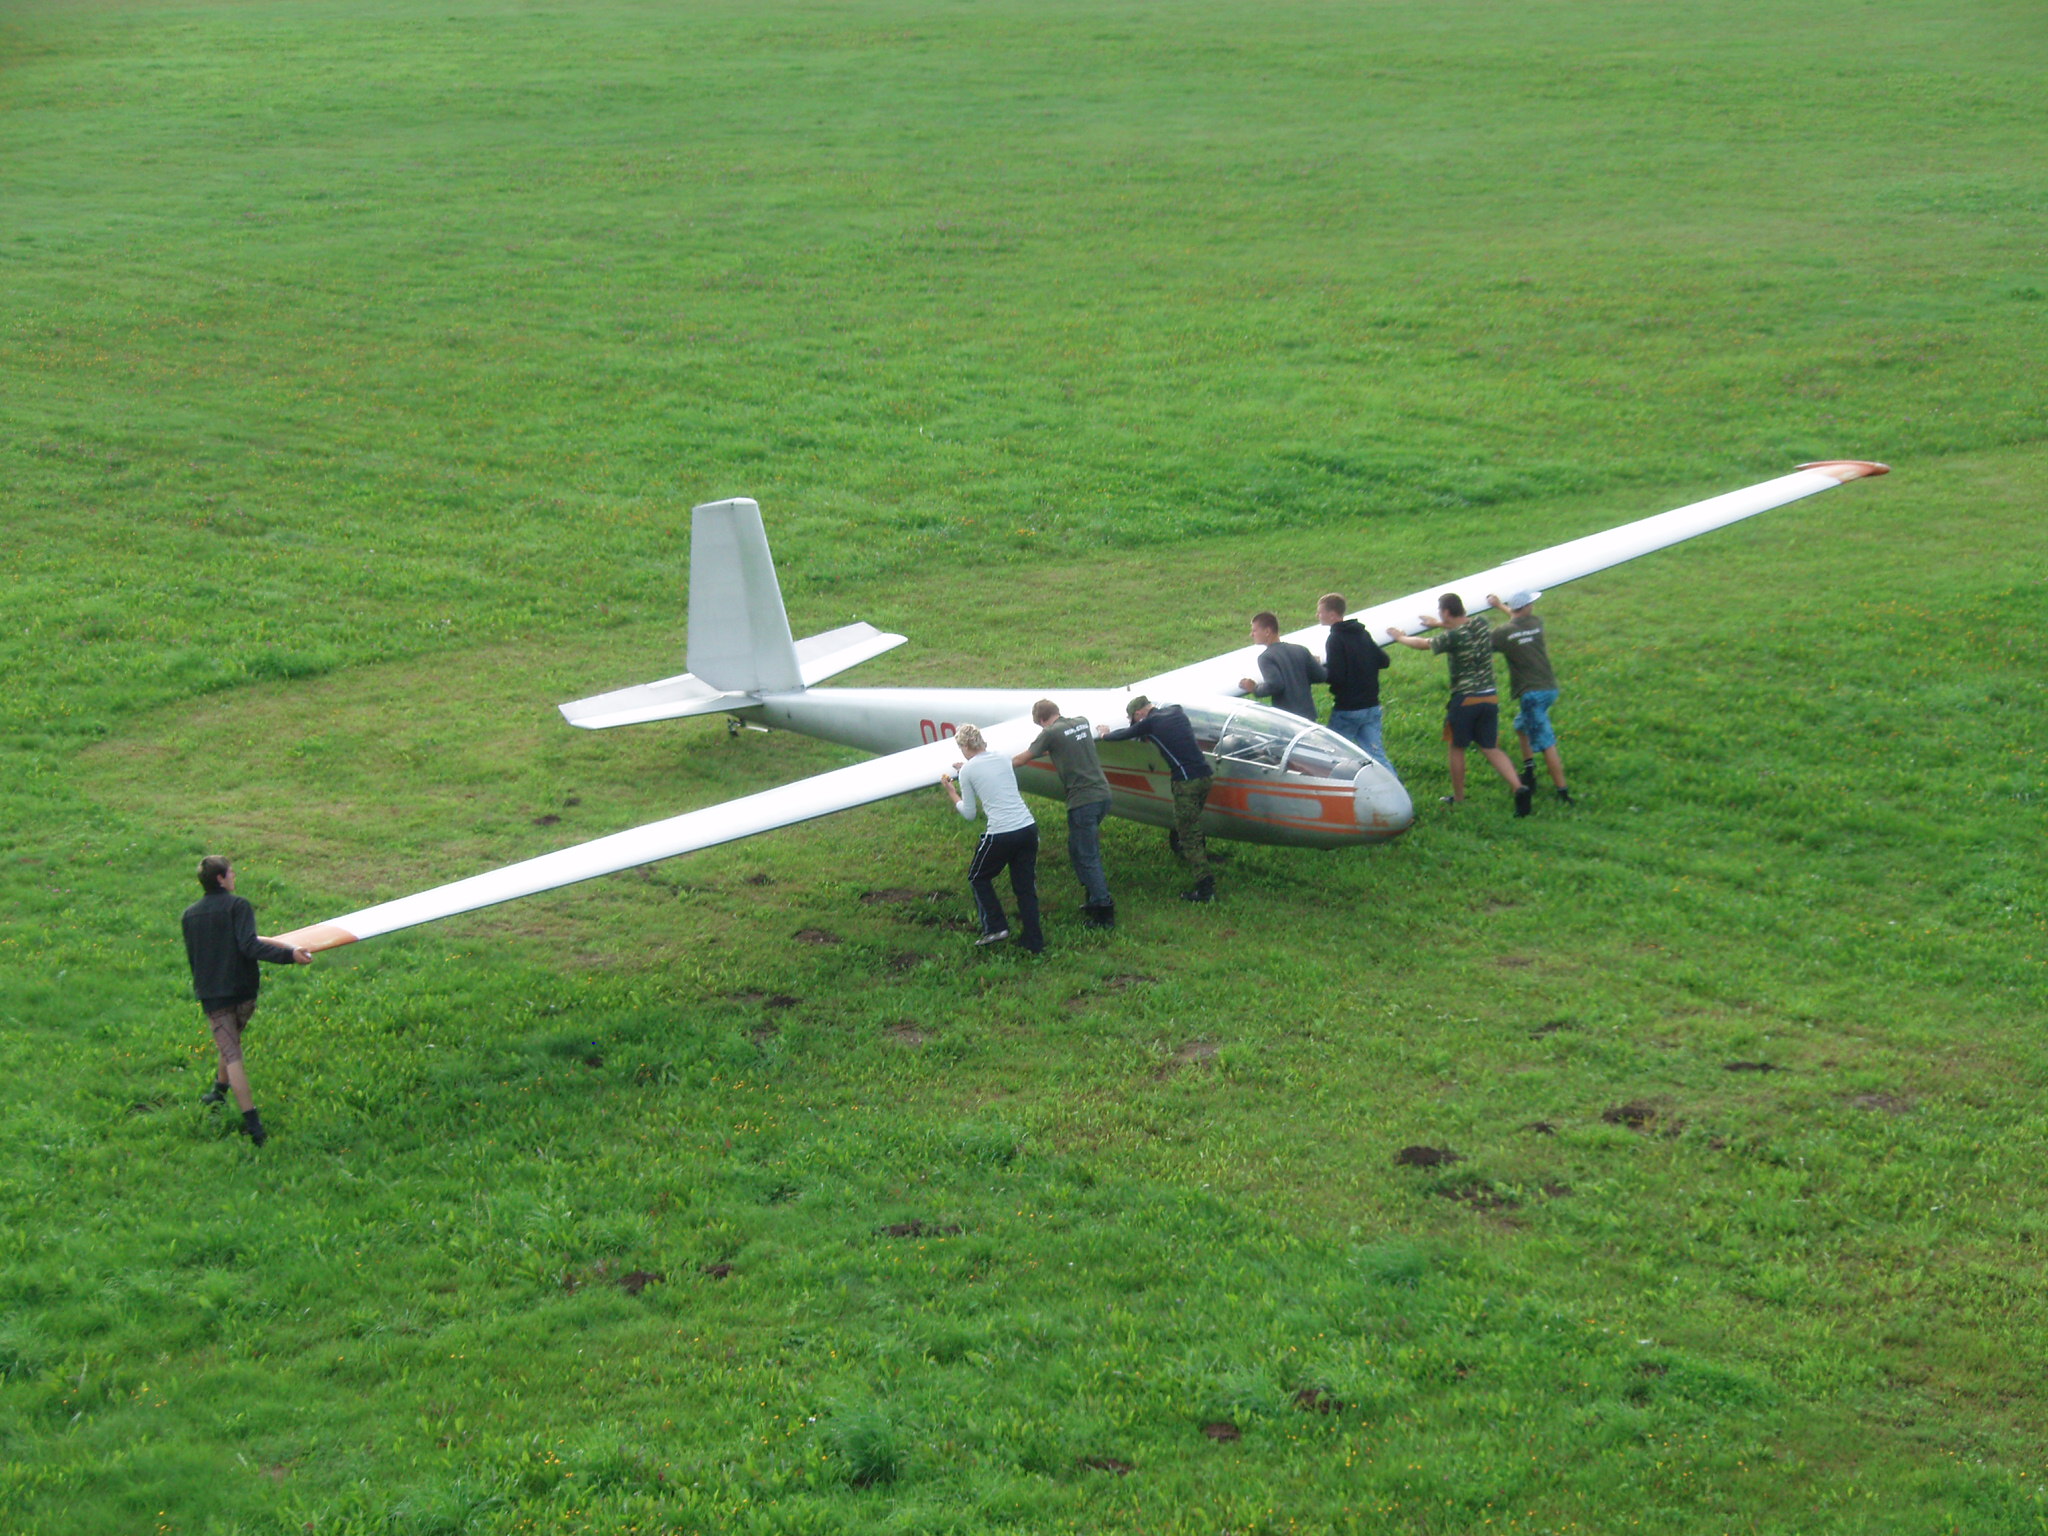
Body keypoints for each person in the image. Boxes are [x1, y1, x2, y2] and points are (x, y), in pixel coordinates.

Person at [180, 855, 313, 1146]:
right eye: (231, 873)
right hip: (243, 991)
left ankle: (254, 1127)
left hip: (214, 994)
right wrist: (289, 954)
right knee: (231, 1042)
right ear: (220, 879)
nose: (234, 876)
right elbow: (250, 944)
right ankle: (218, 1092)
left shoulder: (190, 916)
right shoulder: (238, 906)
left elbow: (199, 955)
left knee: (231, 1052)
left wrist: (289, 952)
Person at [1387, 594, 1533, 816]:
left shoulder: (1452, 637)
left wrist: (1400, 637)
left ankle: (1458, 797)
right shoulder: (1481, 623)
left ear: (1446, 612)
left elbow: (1423, 644)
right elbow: (1460, 628)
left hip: (1465, 699)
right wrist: (1438, 624)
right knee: (1490, 747)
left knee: (1457, 747)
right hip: (1489, 697)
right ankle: (1518, 787)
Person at [1097, 696, 1216, 902]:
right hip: (1205, 776)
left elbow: (1123, 735)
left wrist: (1104, 734)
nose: (1136, 722)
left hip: (1186, 782)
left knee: (1188, 833)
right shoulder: (1176, 711)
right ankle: (1190, 852)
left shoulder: (1150, 723)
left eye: (1134, 719)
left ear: (1139, 713)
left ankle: (1205, 889)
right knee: (1191, 820)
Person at [940, 724, 1044, 953]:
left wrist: (952, 792)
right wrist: (968, 769)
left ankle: (995, 927)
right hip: (1027, 827)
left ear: (965, 746)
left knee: (977, 877)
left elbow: (969, 814)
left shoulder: (967, 771)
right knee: (1025, 887)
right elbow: (989, 773)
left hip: (1001, 833)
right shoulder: (1003, 758)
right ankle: (1034, 940)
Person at [1013, 699, 1116, 929]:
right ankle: (1093, 897)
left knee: (1087, 855)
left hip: (1083, 801)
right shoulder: (1082, 722)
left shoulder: (1050, 733)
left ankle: (1103, 910)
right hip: (1102, 795)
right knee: (1076, 849)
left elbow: (1022, 759)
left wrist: (994, 765)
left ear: (1042, 720)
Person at [1486, 589, 1573, 805]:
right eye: (1530, 604)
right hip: (1548, 688)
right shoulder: (1536, 623)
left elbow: (1486, 640)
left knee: (1546, 743)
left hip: (1531, 694)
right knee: (1521, 727)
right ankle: (1529, 770)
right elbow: (1515, 617)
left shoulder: (1503, 633)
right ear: (1524, 608)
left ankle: (1563, 792)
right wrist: (1500, 605)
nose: (1533, 607)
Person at [1316, 592, 1394, 771]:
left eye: (1320, 612)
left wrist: (1318, 668)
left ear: (1332, 615)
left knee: (1331, 754)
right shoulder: (1362, 633)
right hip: (1371, 706)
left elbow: (1336, 677)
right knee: (1376, 755)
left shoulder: (1335, 638)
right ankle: (1393, 784)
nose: (1317, 615)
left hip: (1348, 709)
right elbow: (1384, 660)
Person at [1236, 611, 1324, 720]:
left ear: (1267, 631)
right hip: (1308, 716)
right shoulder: (1300, 650)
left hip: (1287, 718)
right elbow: (1321, 676)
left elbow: (1275, 685)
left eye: (1254, 630)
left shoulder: (1266, 658)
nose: (1251, 634)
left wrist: (1254, 688)